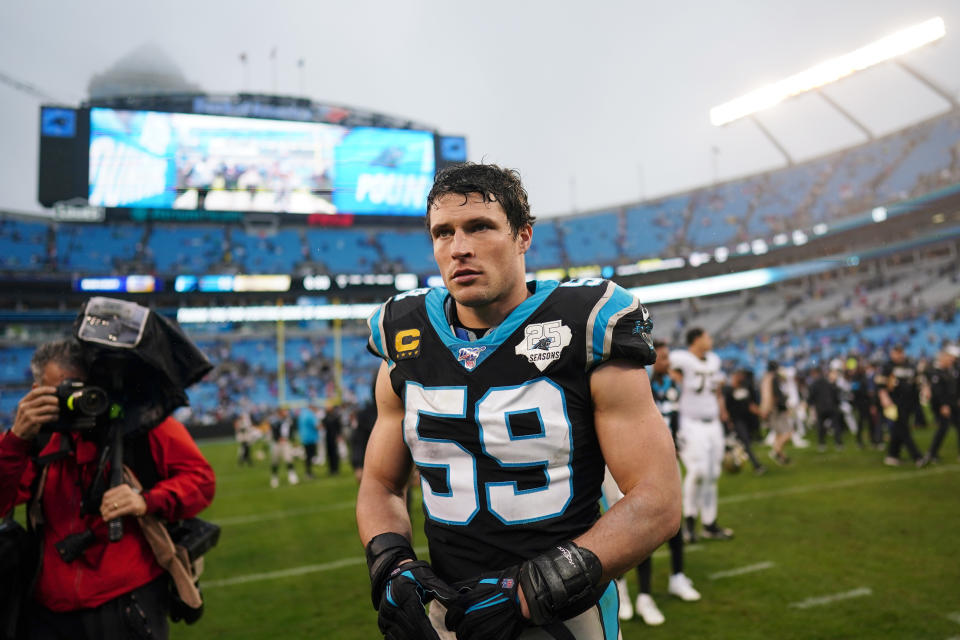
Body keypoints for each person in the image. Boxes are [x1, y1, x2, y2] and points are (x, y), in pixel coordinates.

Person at [355, 162, 681, 640]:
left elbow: (658, 500)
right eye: (442, 233)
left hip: (563, 611)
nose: (459, 247)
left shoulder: (584, 324)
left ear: (523, 236)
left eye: (480, 227)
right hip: (449, 610)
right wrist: (391, 562)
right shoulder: (404, 334)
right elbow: (382, 485)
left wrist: (532, 590)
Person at [0, 339, 215, 640]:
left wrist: (146, 501)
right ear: (37, 392)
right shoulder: (35, 437)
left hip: (125, 605)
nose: (77, 401)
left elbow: (201, 480)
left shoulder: (140, 423)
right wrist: (16, 440)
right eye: (63, 393)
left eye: (84, 388)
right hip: (49, 610)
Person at [611, 341, 701, 627]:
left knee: (670, 520)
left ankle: (672, 579)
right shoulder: (638, 384)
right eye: (662, 357)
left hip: (665, 458)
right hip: (632, 462)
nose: (666, 361)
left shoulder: (671, 386)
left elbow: (672, 422)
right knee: (629, 527)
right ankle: (625, 590)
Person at [671, 328, 734, 543]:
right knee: (697, 471)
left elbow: (716, 389)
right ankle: (689, 522)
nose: (710, 340)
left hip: (714, 423)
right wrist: (677, 378)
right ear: (696, 340)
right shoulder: (682, 358)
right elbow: (663, 366)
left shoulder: (714, 360)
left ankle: (709, 523)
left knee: (713, 474)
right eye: (707, 336)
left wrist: (723, 410)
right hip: (692, 423)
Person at [876, 345, 923, 467]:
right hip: (893, 403)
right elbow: (880, 386)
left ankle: (892, 455)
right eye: (896, 352)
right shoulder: (887, 367)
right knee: (903, 429)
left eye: (900, 352)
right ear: (892, 353)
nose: (899, 355)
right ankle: (917, 456)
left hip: (908, 403)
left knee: (898, 429)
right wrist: (884, 398)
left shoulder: (910, 365)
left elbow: (917, 382)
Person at [920, 347, 959, 466]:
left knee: (951, 427)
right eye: (949, 358)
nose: (952, 360)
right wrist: (944, 405)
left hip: (952, 404)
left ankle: (932, 453)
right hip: (943, 405)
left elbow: (955, 387)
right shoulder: (935, 371)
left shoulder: (950, 370)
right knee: (943, 428)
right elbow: (938, 391)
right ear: (943, 357)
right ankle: (932, 453)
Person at [722, 370, 767, 475]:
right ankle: (756, 465)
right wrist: (728, 421)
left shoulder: (745, 389)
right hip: (736, 420)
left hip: (747, 420)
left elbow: (750, 404)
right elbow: (725, 407)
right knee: (745, 442)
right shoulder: (728, 390)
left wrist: (760, 412)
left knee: (745, 442)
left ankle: (732, 458)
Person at [761, 361, 795, 465]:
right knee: (788, 433)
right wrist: (784, 407)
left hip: (768, 409)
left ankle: (781, 456)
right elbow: (777, 394)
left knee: (778, 434)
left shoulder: (765, 378)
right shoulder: (774, 378)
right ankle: (775, 451)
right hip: (776, 409)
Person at [269, 407, 299, 488]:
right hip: (277, 443)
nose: (286, 413)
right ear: (279, 413)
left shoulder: (288, 420)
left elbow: (291, 431)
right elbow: (273, 431)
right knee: (275, 461)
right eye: (284, 411)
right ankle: (274, 477)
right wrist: (278, 438)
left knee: (288, 459)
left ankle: (292, 475)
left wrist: (293, 440)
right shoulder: (274, 421)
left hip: (286, 442)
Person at [297, 405, 320, 479]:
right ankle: (308, 473)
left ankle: (308, 472)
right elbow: (317, 426)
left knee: (308, 456)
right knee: (310, 456)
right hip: (310, 438)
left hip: (304, 437)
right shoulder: (310, 415)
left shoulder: (302, 414)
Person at [322, 404, 343, 476]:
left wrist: (339, 436)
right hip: (328, 437)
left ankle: (336, 469)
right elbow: (323, 425)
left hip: (334, 437)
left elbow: (339, 427)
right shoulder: (325, 417)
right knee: (329, 454)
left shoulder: (335, 417)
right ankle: (331, 469)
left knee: (335, 454)